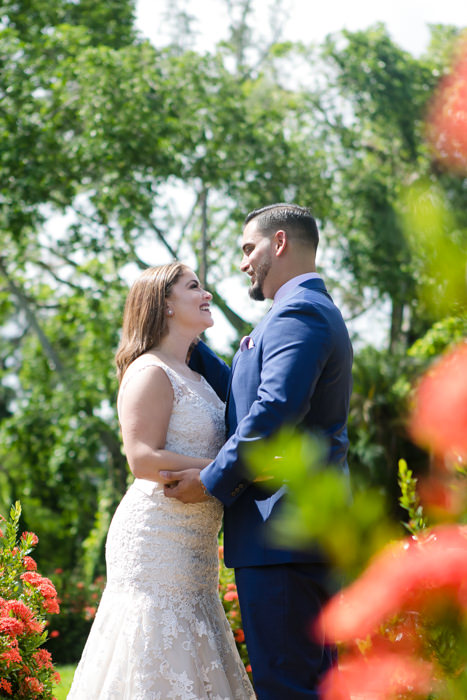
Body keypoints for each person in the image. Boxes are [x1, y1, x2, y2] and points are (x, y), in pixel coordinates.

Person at [161, 204, 353, 699]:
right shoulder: (293, 313)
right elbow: (251, 394)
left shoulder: (300, 311)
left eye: (249, 249)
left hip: (284, 532)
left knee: (286, 686)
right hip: (294, 534)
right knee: (313, 682)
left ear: (281, 242)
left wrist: (209, 481)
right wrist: (185, 345)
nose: (244, 262)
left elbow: (273, 413)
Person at [67, 263, 255, 700]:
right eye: (194, 287)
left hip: (197, 547)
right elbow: (142, 458)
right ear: (164, 304)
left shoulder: (199, 378)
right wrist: (226, 468)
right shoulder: (150, 371)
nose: (207, 294)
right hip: (157, 541)